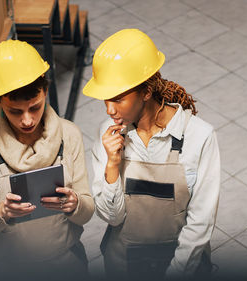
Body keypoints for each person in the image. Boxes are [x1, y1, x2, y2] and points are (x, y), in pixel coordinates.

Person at [83, 29, 221, 280]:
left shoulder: (199, 137)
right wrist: (113, 165)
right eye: (105, 98)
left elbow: (200, 224)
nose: (109, 109)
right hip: (123, 265)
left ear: (146, 91)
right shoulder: (108, 134)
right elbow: (111, 218)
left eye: (118, 98)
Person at [0, 40, 94, 277]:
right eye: (15, 111)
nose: (27, 120)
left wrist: (75, 204)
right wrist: (2, 213)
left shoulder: (69, 135)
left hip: (67, 262)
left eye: (35, 107)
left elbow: (87, 212)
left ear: (45, 91)